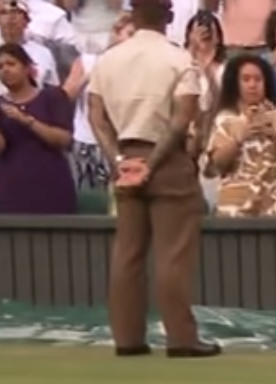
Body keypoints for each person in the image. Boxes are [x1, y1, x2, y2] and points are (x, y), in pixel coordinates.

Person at [89, 0, 218, 357]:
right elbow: (182, 120)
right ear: (170, 16)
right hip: (168, 160)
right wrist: (153, 163)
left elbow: (95, 116)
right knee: (172, 255)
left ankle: (127, 339)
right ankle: (181, 338)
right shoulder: (179, 60)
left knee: (127, 253)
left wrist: (119, 160)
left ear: (132, 13)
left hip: (126, 155)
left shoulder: (108, 59)